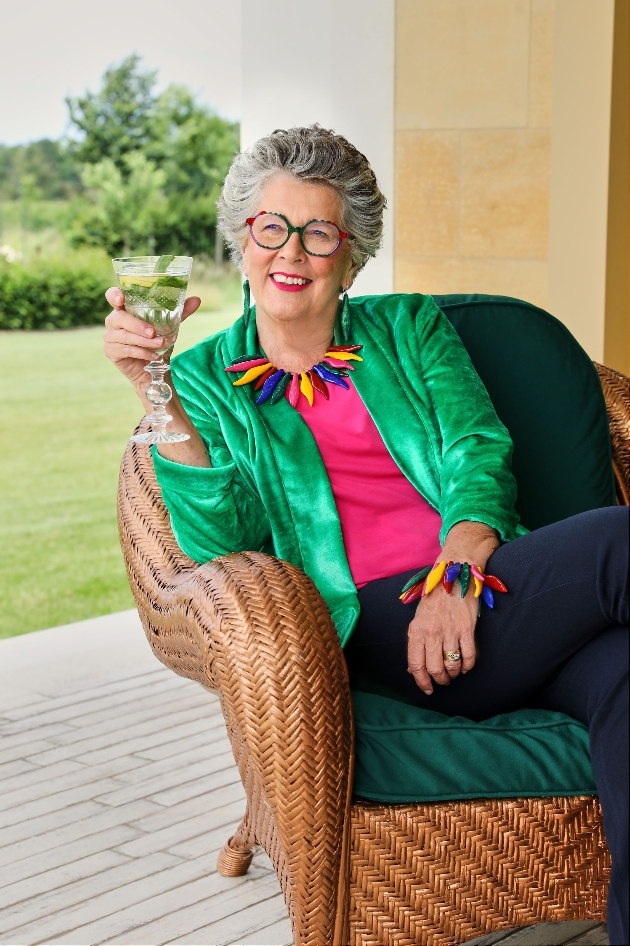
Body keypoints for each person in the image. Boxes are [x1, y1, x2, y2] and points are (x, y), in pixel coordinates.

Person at [104, 125, 628, 944]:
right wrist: (158, 397)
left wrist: (455, 580)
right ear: (243, 243)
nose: (292, 251)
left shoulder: (411, 327)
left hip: (491, 598)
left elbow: (477, 451)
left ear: (351, 255)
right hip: (367, 632)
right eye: (270, 227)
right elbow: (219, 551)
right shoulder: (205, 380)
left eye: (319, 232)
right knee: (618, 542)